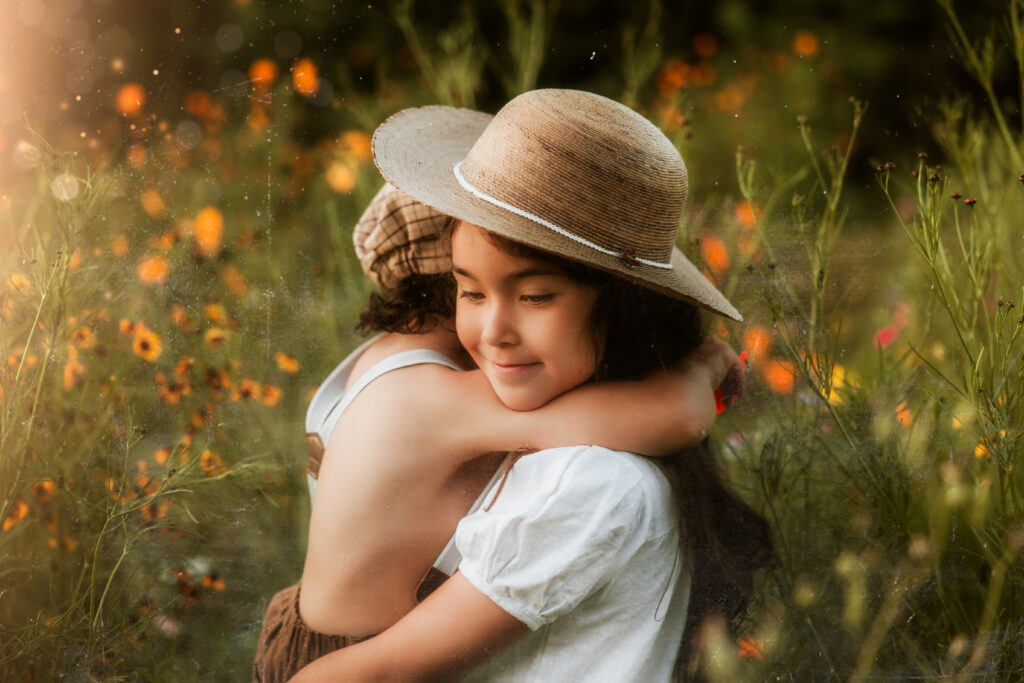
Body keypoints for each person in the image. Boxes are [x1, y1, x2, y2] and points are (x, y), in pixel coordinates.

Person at [287, 89, 774, 681]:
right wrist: (700, 372)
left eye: (535, 296)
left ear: (622, 305)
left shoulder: (399, 364)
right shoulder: (426, 399)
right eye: (470, 291)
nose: (494, 332)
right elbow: (675, 413)